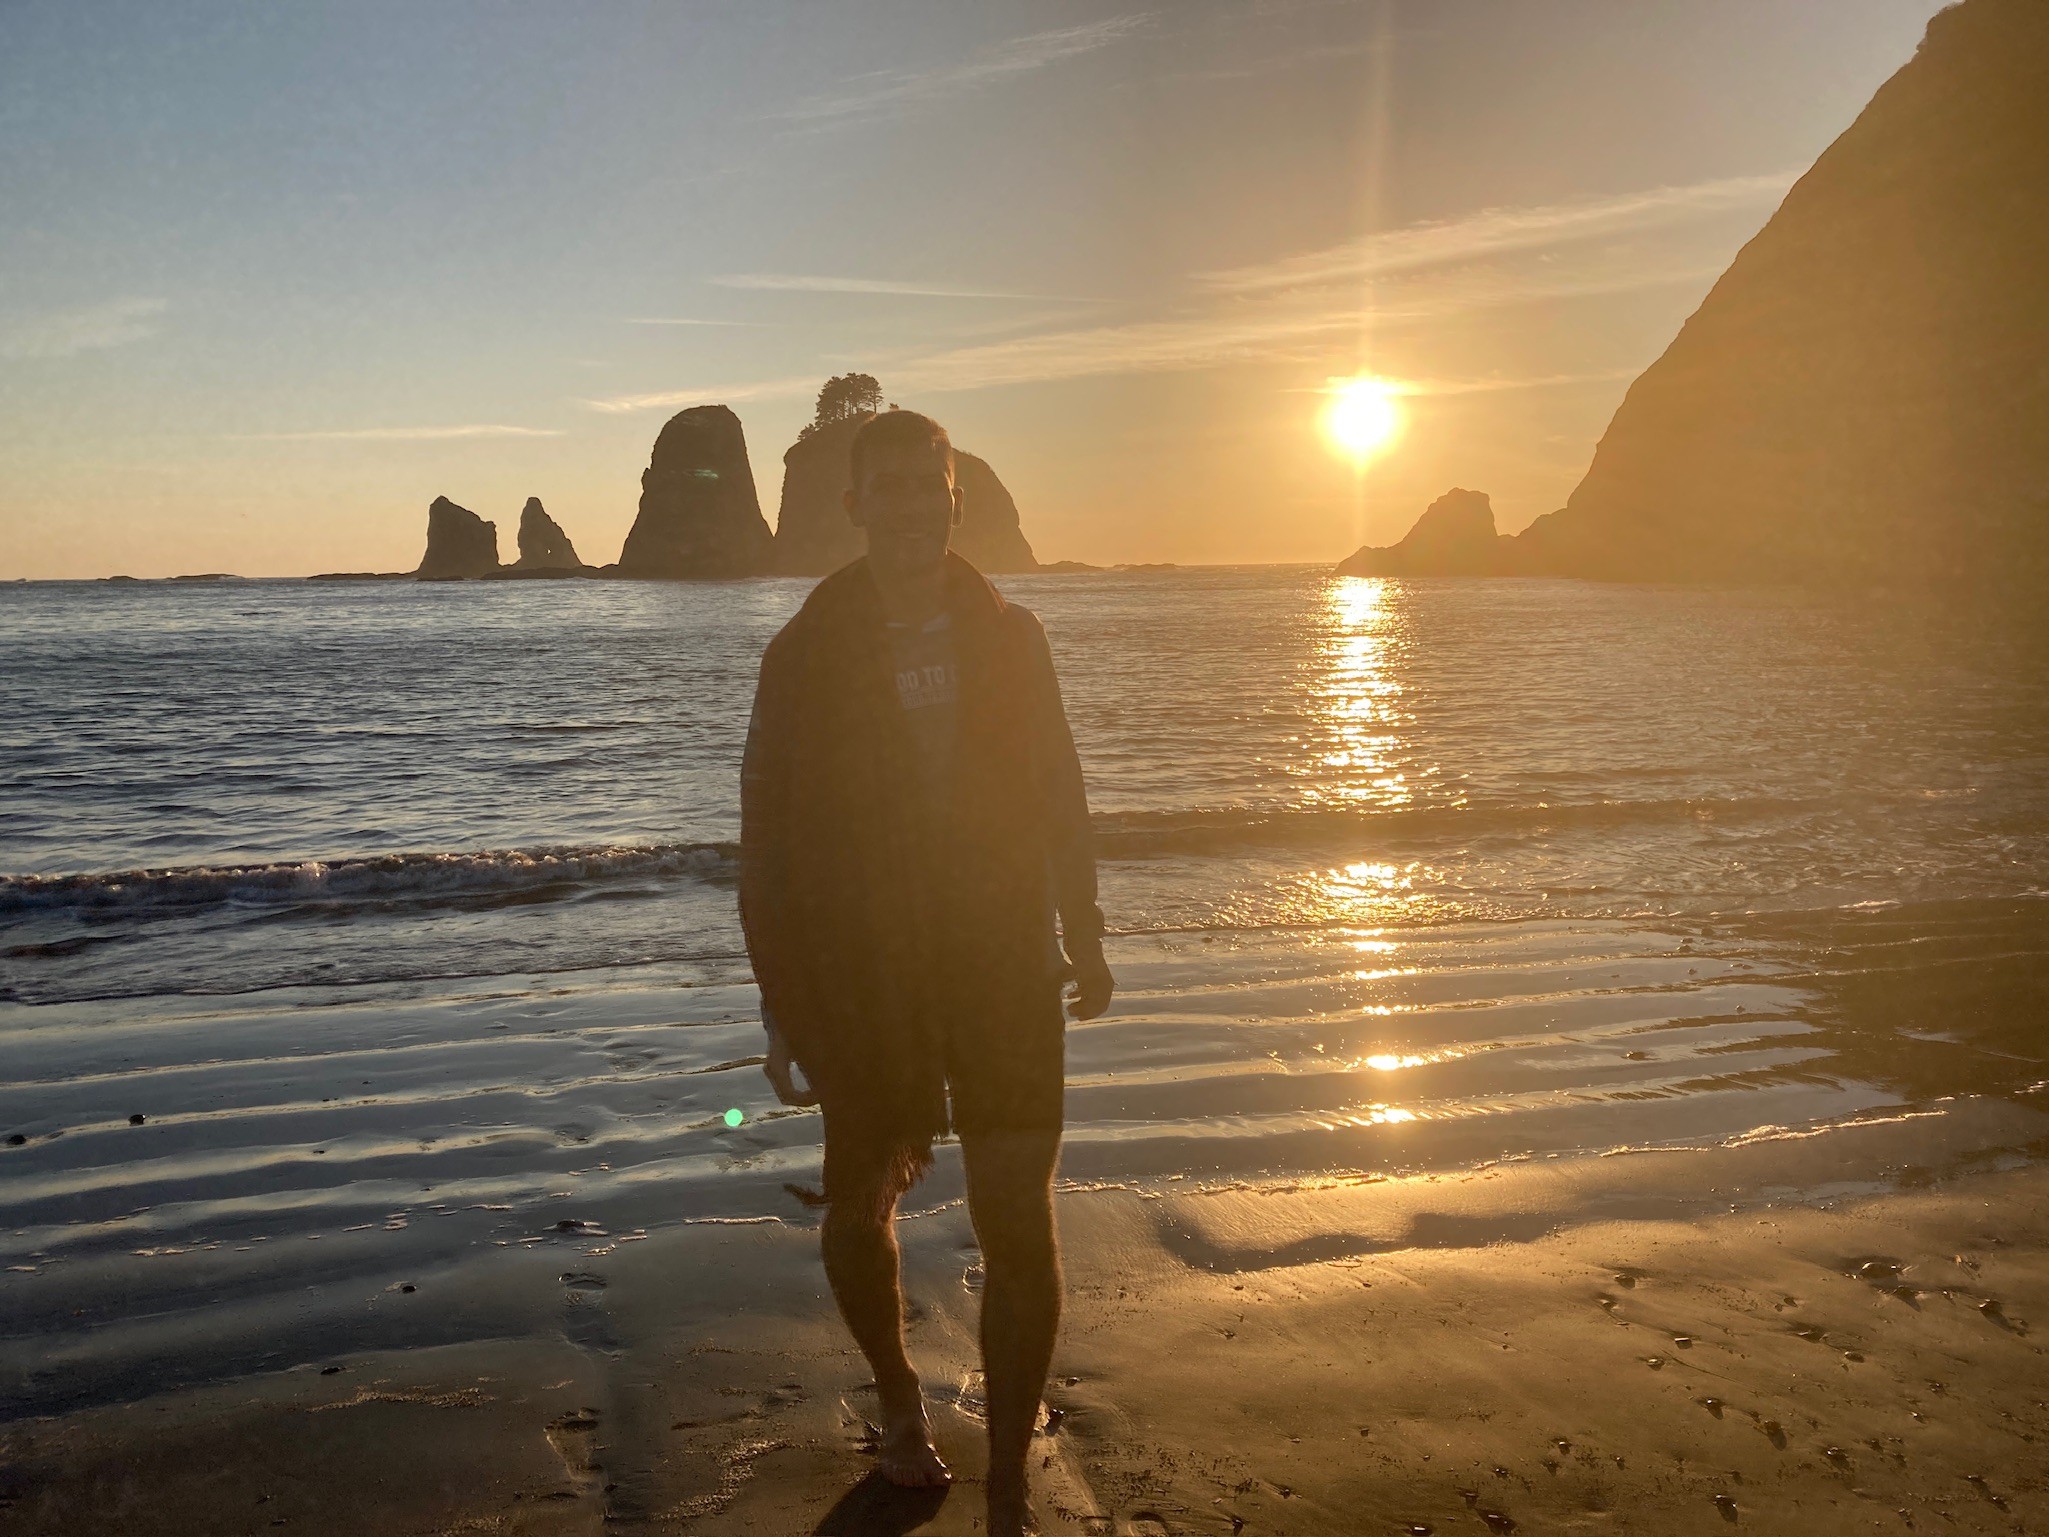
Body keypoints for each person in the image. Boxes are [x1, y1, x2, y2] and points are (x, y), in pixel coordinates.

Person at [739, 408, 1113, 1536]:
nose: (908, 505)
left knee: (1017, 1212)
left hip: (1002, 956)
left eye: (927, 485)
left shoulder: (1012, 636)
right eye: (885, 487)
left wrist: (1083, 928)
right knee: (860, 1199)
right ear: (853, 506)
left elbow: (1060, 788)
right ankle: (900, 1399)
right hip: (866, 969)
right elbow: (769, 842)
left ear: (955, 498)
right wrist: (782, 1002)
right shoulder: (804, 652)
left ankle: (1006, 1465)